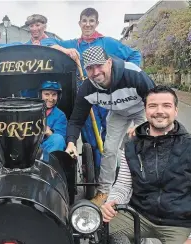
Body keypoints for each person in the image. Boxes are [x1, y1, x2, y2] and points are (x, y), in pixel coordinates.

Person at [65, 46, 155, 206]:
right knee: (110, 149)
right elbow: (76, 120)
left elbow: (156, 100)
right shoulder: (87, 88)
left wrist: (144, 126)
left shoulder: (133, 74)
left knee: (144, 145)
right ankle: (104, 191)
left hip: (144, 109)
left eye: (99, 65)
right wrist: (71, 142)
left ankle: (147, 189)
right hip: (118, 113)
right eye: (90, 68)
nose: (96, 72)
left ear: (109, 62)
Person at [101, 86, 191, 244]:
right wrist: (112, 201)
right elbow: (123, 184)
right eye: (153, 106)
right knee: (95, 228)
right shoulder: (131, 145)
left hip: (179, 223)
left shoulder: (188, 145)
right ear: (145, 110)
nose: (159, 111)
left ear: (176, 111)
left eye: (166, 106)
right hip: (140, 215)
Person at [54, 7, 142, 170]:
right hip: (87, 98)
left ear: (97, 23)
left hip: (108, 96)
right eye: (84, 21)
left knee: (110, 138)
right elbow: (50, 44)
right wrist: (65, 50)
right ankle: (96, 174)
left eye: (91, 21)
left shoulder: (108, 43)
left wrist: (123, 79)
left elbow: (135, 55)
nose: (88, 24)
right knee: (91, 140)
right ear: (79, 23)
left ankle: (116, 174)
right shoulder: (73, 44)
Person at [38, 81, 67, 161]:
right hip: (31, 147)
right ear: (40, 95)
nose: (50, 99)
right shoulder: (31, 111)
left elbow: (60, 139)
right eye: (47, 94)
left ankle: (50, 169)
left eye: (54, 95)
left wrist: (48, 131)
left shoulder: (60, 115)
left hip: (47, 148)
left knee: (58, 139)